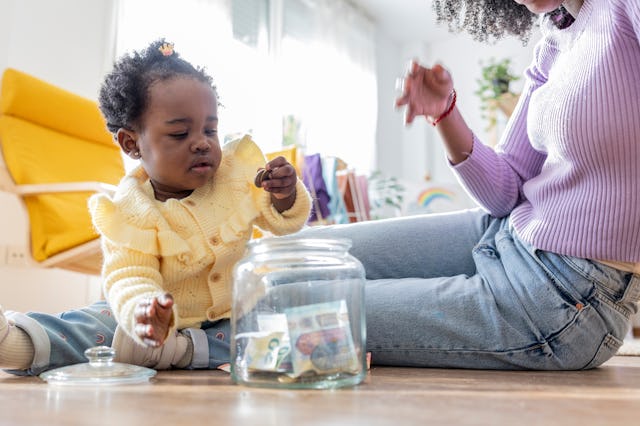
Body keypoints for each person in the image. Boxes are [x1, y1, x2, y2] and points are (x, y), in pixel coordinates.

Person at [295, 0, 640, 370]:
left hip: (567, 297)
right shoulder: (555, 40)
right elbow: (505, 191)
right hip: (505, 235)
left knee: (302, 308)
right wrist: (444, 113)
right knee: (298, 258)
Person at [0, 39, 311, 375]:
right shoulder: (130, 212)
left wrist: (285, 194)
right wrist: (144, 314)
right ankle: (18, 343)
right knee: (95, 325)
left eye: (211, 129)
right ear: (132, 143)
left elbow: (283, 222)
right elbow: (129, 275)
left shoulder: (234, 174)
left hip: (233, 314)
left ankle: (178, 351)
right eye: (180, 134)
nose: (202, 142)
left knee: (274, 328)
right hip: (155, 322)